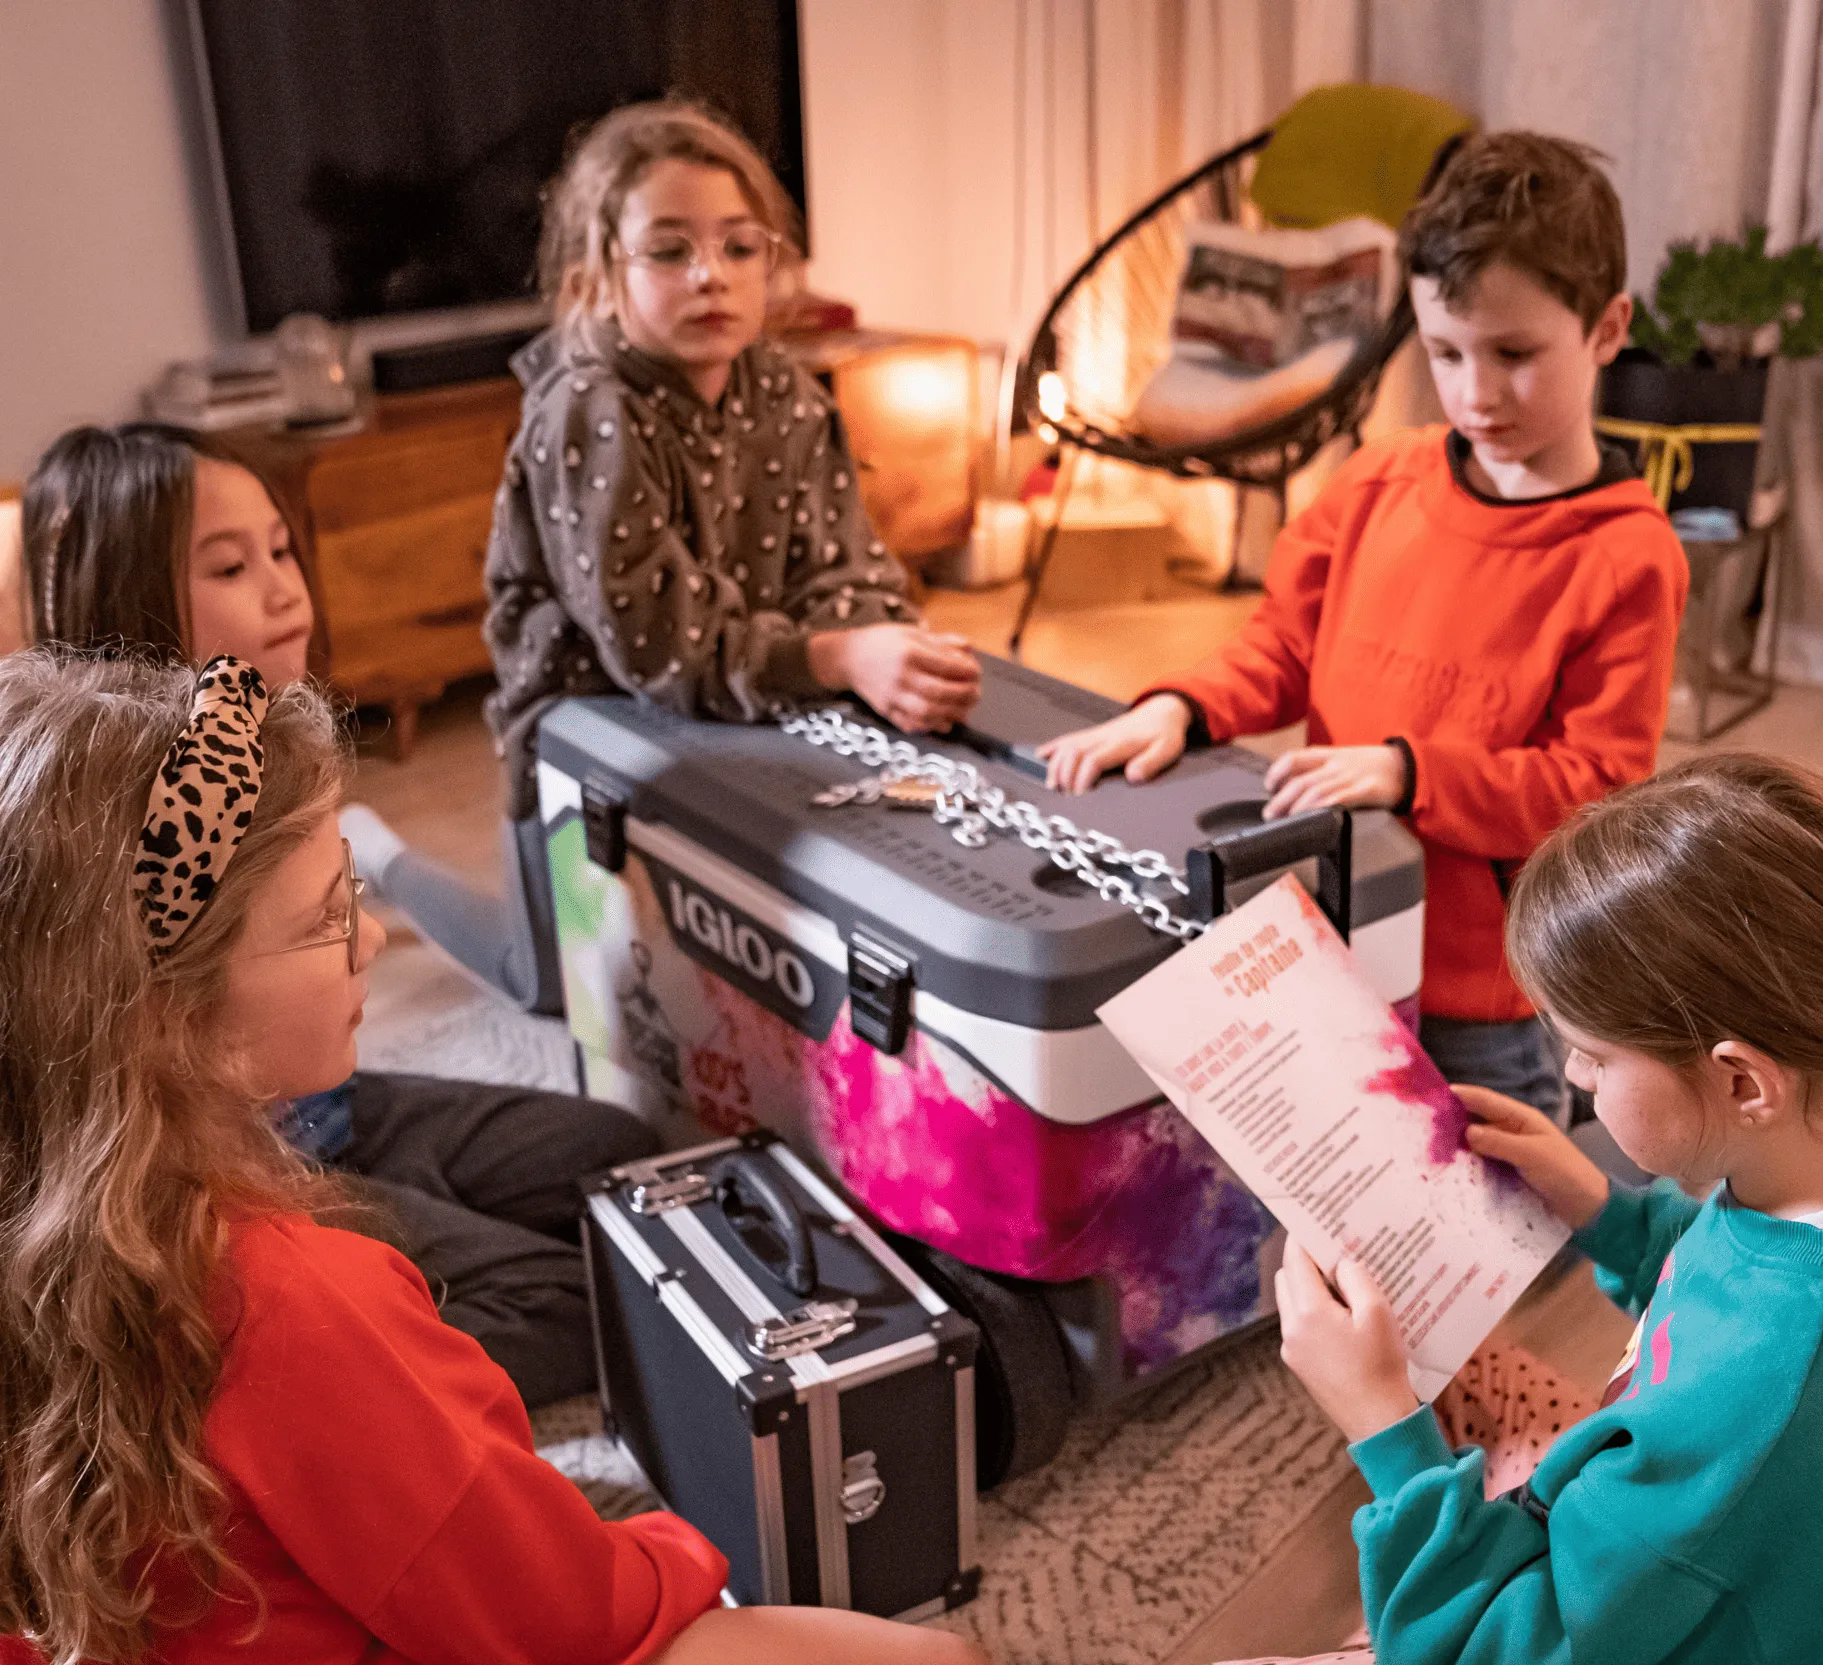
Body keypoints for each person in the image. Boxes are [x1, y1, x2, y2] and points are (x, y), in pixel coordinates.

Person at [0, 650, 1000, 1665]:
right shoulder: (285, 1295)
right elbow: (556, 1615)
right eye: (320, 919)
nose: (368, 936)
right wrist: (683, 1561)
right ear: (159, 1015)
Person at [1074, 753, 1823, 1665]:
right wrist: (1603, 1206)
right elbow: (1733, 1285)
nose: (1568, 1073)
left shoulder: (1763, 1398)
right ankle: (1474, 1530)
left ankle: (1449, 1576)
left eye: (1592, 1056)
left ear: (1739, 1080)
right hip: (1724, 1549)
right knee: (1433, 1330)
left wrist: (1384, 1432)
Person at [1039, 132, 1690, 1119]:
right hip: (1331, 941)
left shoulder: (1625, 556)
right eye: (1444, 353)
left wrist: (1410, 772)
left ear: (1605, 329)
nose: (1474, 391)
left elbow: (1591, 795)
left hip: (1484, 996)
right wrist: (1184, 704)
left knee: (1486, 1247)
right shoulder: (1377, 480)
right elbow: (1281, 648)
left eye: (1514, 353)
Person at [23, 422, 657, 1409]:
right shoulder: (146, 809)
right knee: (562, 1295)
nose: (283, 589)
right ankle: (307, 1387)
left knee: (620, 1155)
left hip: (323, 1101)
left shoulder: (256, 737)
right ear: (127, 595)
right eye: (230, 565)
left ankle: (417, 1235)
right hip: (231, 1160)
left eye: (283, 550)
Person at [340, 96, 983, 1015]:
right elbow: (658, 647)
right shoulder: (587, 406)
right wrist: (836, 656)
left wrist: (883, 648)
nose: (709, 275)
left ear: (774, 261)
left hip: (742, 707)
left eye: (737, 246)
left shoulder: (789, 393)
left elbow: (846, 568)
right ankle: (382, 854)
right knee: (552, 990)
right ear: (606, 270)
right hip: (589, 721)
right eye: (670, 250)